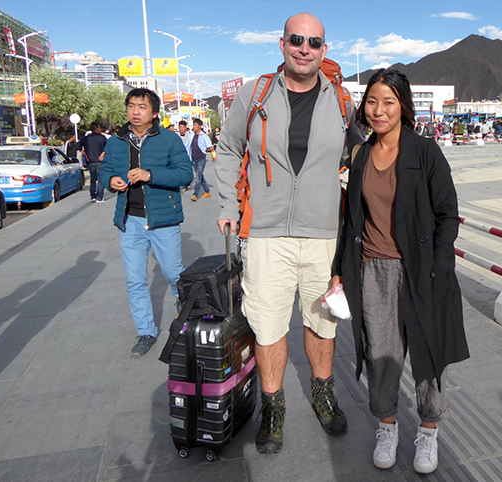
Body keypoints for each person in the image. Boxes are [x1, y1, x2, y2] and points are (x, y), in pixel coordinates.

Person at [215, 12, 363, 455]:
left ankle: (322, 393)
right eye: (296, 40)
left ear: (324, 49)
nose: (305, 48)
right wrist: (226, 204)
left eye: (314, 43)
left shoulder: (340, 100)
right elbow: (227, 148)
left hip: (323, 233)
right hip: (265, 233)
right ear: (281, 44)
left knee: (323, 323)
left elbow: (359, 151)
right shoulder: (255, 94)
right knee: (268, 325)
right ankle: (273, 406)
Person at [331, 68, 469, 474]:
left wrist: (440, 269)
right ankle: (386, 425)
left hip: (421, 270)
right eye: (372, 101)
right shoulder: (359, 155)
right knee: (380, 353)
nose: (379, 110)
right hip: (372, 268)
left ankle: (428, 432)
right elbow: (352, 220)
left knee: (428, 352)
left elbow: (448, 214)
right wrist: (341, 268)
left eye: (388, 102)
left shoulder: (425, 152)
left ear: (403, 107)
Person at [99, 88, 193, 357]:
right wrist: (110, 181)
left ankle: (184, 313)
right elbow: (106, 170)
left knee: (174, 273)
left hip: (163, 220)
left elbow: (184, 174)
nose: (135, 111)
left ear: (154, 112)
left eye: (141, 107)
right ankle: (146, 332)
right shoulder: (116, 140)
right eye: (131, 106)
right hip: (130, 220)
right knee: (135, 280)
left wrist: (150, 174)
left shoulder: (169, 139)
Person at [77, 122, 108, 202]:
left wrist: (84, 154)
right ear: (97, 128)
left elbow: (77, 145)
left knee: (93, 179)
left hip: (90, 161)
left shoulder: (86, 138)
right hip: (100, 161)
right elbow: (109, 146)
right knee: (101, 179)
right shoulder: (102, 138)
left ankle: (93, 195)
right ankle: (99, 197)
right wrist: (103, 154)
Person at [187, 118, 214, 202]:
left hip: (201, 159)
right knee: (200, 176)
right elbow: (187, 146)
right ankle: (207, 191)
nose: (194, 127)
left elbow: (210, 147)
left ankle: (195, 194)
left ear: (200, 126)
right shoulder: (191, 135)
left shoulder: (204, 136)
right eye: (193, 125)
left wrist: (205, 150)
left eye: (195, 125)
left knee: (198, 176)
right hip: (193, 158)